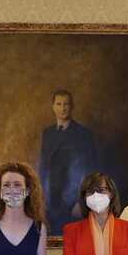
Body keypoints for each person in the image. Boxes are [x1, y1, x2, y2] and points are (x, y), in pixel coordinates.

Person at [39, 89, 97, 234]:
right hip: (50, 202)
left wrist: (81, 201)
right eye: (59, 104)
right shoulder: (47, 133)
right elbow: (43, 168)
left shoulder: (83, 134)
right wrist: (41, 198)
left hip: (72, 202)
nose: (63, 108)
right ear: (53, 107)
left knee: (73, 240)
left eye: (66, 104)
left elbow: (90, 171)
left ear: (72, 107)